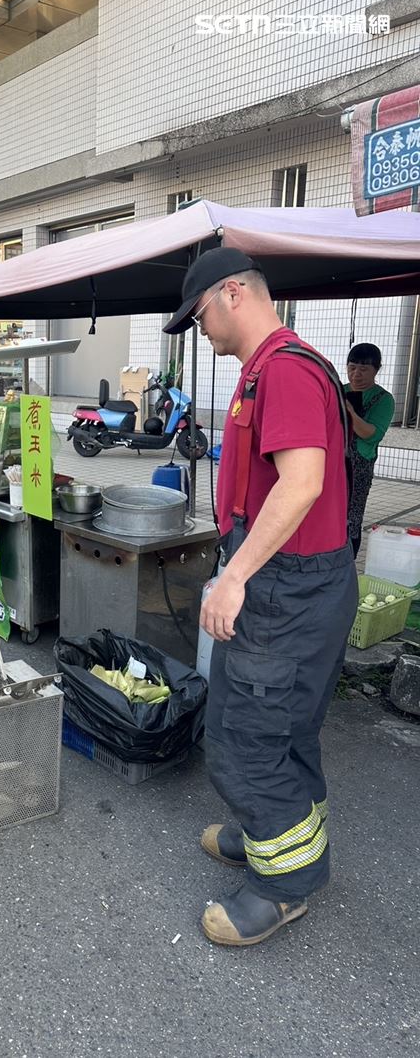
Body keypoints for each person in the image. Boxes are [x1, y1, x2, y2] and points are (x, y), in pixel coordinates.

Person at [163, 248, 357, 947]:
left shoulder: (285, 369)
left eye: (202, 314)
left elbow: (301, 483)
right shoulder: (267, 368)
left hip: (287, 589)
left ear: (234, 294)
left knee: (246, 738)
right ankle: (281, 842)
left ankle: (283, 889)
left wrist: (235, 575)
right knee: (283, 730)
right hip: (294, 583)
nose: (201, 331)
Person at [343, 342, 395, 557]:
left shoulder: (384, 400)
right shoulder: (340, 390)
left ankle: (348, 562)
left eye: (364, 369)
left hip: (359, 470)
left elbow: (370, 434)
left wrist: (350, 413)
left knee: (351, 518)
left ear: (377, 370)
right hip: (331, 463)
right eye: (352, 367)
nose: (356, 374)